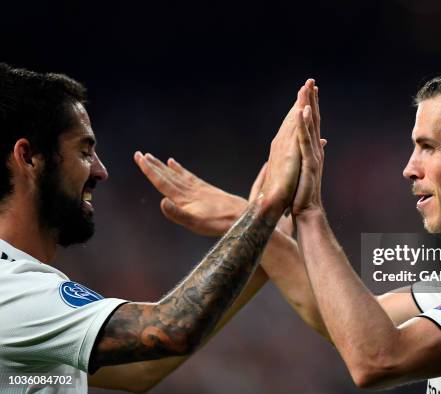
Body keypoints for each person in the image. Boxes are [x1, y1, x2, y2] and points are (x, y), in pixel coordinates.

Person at [139, 40, 441, 393]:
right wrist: (253, 219)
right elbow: (354, 321)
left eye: (427, 146)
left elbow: (377, 358)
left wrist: (309, 212)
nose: (409, 168)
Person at [0, 63, 318, 393]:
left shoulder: (22, 306)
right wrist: (264, 210)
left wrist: (264, 245)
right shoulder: (10, 291)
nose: (100, 170)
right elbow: (170, 328)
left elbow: (140, 369)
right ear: (29, 157)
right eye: (84, 151)